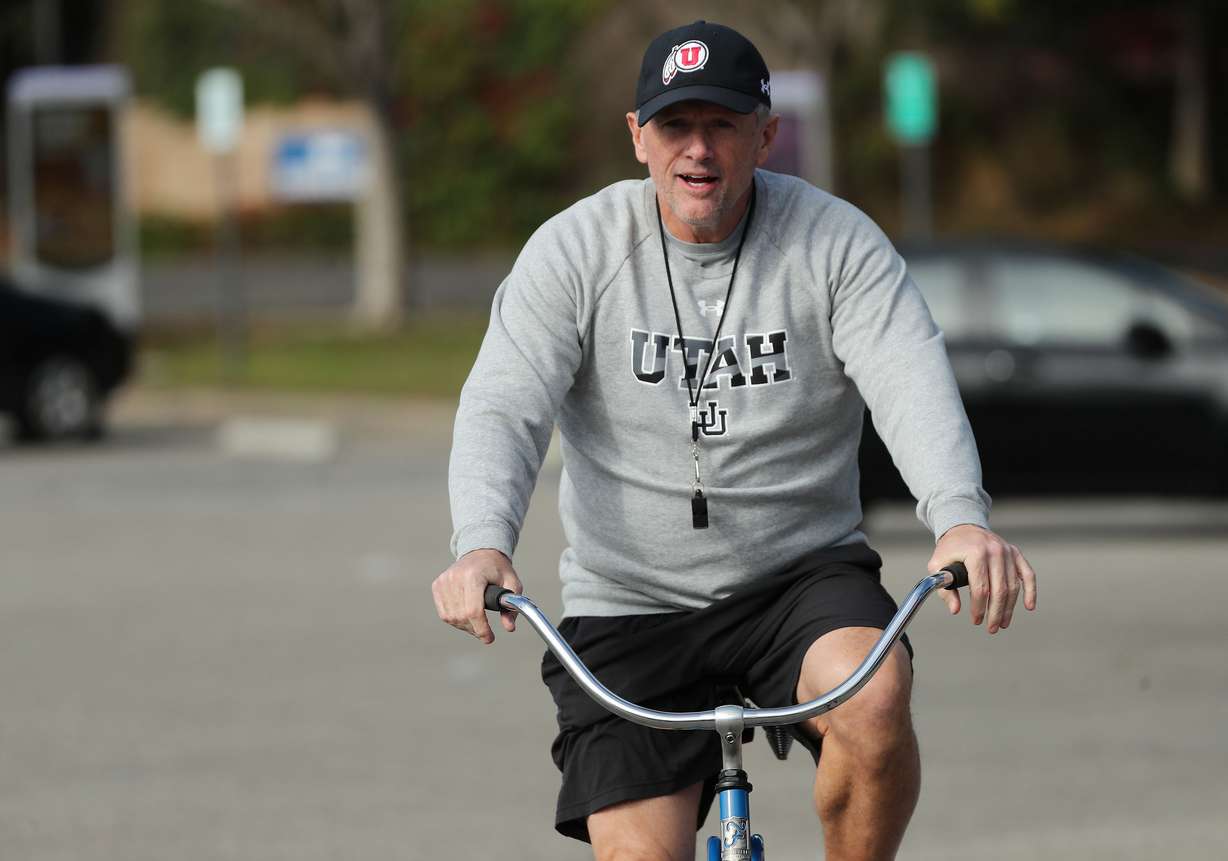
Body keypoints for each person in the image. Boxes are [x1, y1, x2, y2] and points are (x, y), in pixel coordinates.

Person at [432, 19, 1037, 861]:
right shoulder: (575, 252)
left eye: (721, 124)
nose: (699, 150)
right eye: (676, 125)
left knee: (874, 695)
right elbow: (503, 405)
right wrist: (482, 542)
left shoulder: (835, 244)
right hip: (629, 600)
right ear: (638, 138)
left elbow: (910, 380)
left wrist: (960, 519)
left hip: (798, 581)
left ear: (766, 133)